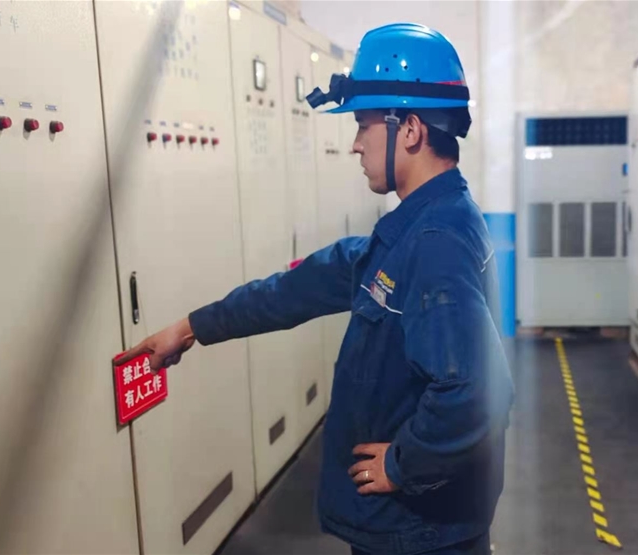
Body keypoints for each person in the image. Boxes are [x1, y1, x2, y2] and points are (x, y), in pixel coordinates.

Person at [117, 22, 514, 555]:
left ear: (410, 130)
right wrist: (193, 327)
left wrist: (402, 464)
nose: (355, 145)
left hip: (420, 534)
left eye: (363, 126)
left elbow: (478, 393)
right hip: (415, 527)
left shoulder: (435, 241)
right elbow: (299, 288)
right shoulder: (420, 227)